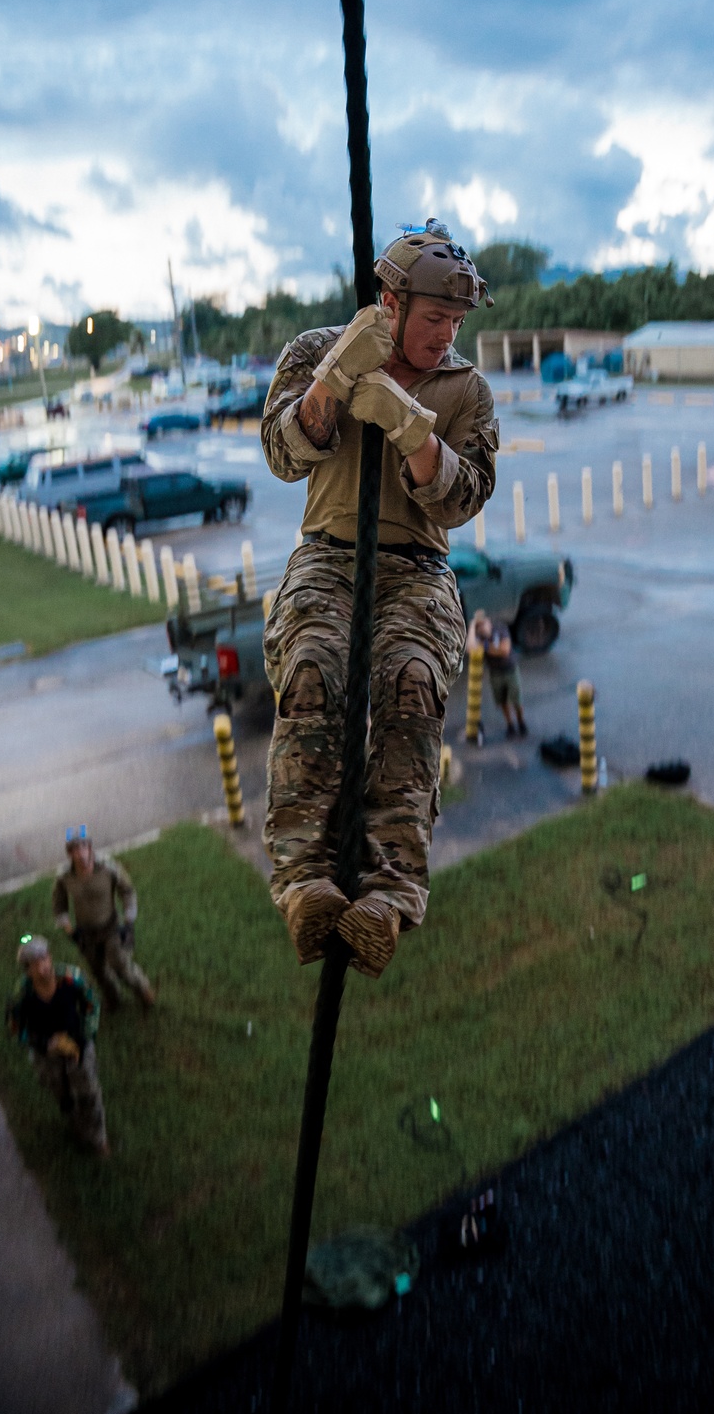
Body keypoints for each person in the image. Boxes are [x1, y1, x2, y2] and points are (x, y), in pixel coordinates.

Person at [261, 219, 497, 977]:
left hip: (416, 567)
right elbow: (280, 453)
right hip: (329, 556)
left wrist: (413, 430)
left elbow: (465, 499)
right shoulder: (311, 350)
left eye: (456, 322)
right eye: (435, 319)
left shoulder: (467, 390)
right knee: (311, 670)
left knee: (413, 682)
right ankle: (306, 881)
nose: (447, 334)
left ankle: (388, 893)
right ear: (391, 302)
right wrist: (332, 382)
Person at [6, 934, 109, 1155]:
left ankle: (99, 1139)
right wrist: (43, 1043)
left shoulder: (72, 979)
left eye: (45, 959)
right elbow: (14, 1028)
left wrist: (84, 1037)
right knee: (62, 1095)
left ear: (50, 957)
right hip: (46, 1055)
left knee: (89, 1093)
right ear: (27, 970)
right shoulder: (21, 995)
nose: (43, 967)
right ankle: (75, 1125)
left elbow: (91, 1004)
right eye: (35, 964)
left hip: (77, 1048)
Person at [52, 826, 155, 1012]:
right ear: (70, 854)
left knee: (120, 965)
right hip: (86, 933)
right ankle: (112, 997)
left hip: (111, 927)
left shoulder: (108, 867)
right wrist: (71, 931)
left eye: (84, 846)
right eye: (75, 849)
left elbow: (127, 891)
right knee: (98, 970)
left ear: (90, 848)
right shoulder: (64, 877)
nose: (81, 853)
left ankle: (143, 991)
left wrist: (129, 921)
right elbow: (59, 907)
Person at [467, 610, 528, 738]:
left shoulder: (500, 629)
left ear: (488, 622)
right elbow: (470, 648)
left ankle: (521, 722)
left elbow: (504, 650)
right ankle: (510, 725)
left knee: (516, 700)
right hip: (496, 673)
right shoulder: (481, 637)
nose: (482, 627)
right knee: (503, 701)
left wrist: (486, 648)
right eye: (479, 626)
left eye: (483, 624)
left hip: (510, 670)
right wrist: (472, 626)